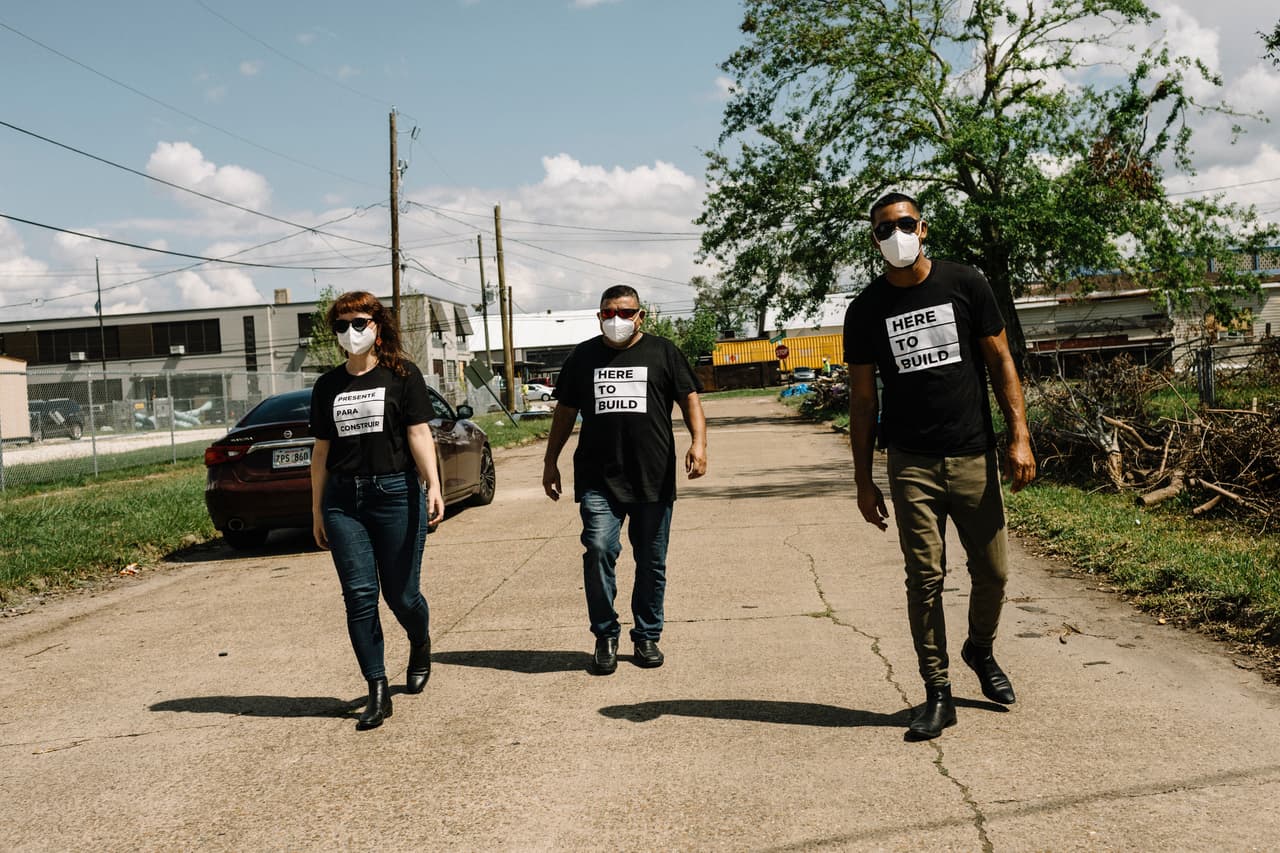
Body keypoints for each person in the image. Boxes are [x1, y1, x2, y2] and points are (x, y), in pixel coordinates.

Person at [844, 192, 1036, 740]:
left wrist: (1019, 437)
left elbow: (1001, 361)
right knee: (924, 578)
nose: (895, 235)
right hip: (911, 463)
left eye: (904, 224)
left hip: (974, 453)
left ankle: (979, 649)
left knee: (994, 573)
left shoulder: (966, 283)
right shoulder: (865, 310)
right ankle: (938, 690)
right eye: (884, 230)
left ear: (922, 228)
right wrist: (864, 479)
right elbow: (862, 401)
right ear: (874, 241)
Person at [543, 285, 708, 675]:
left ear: (641, 316)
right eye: (608, 313)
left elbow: (690, 400)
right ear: (599, 316)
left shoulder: (663, 352)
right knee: (599, 548)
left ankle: (647, 635)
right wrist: (551, 462)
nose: (616, 320)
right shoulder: (583, 357)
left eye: (625, 312)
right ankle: (606, 634)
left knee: (651, 561)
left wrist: (699, 443)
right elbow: (565, 413)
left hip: (652, 476)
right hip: (599, 479)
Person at [309, 291, 445, 731]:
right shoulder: (327, 386)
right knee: (360, 597)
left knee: (402, 596)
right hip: (344, 501)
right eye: (343, 325)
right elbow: (320, 453)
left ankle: (420, 642)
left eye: (360, 322)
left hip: (395, 494)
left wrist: (434, 486)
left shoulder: (401, 375)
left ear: (378, 326)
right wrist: (316, 510)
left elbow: (419, 433)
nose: (352, 332)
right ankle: (378, 689)